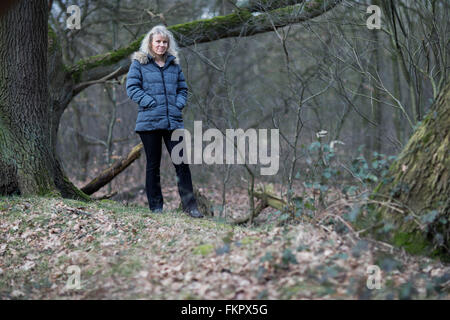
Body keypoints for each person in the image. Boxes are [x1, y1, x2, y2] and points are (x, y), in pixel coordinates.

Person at [126, 25, 203, 218]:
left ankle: (190, 207)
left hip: (173, 122)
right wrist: (151, 103)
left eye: (164, 42)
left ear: (168, 44)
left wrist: (178, 105)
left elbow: (183, 90)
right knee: (153, 165)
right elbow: (132, 87)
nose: (161, 45)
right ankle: (156, 208)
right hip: (149, 122)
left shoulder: (173, 64)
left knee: (181, 163)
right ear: (150, 43)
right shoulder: (139, 63)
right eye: (158, 41)